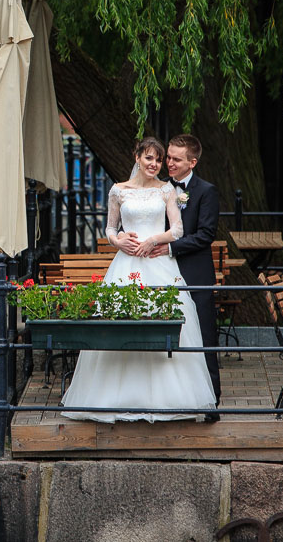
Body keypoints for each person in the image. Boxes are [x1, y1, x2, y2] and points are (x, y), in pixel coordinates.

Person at [60, 137, 216, 422]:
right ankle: (115, 398)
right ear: (137, 158)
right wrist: (119, 241)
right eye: (150, 158)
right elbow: (109, 228)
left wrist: (155, 239)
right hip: (126, 265)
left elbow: (178, 230)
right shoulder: (118, 191)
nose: (155, 164)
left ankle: (169, 398)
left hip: (158, 263)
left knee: (164, 323)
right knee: (120, 324)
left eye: (159, 159)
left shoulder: (167, 190)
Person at [148, 133, 222, 405]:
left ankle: (211, 399)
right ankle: (172, 399)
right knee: (168, 338)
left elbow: (205, 235)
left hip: (194, 274)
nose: (169, 163)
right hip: (161, 273)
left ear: (192, 162)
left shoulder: (206, 191)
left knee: (204, 337)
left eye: (176, 159)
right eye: (168, 157)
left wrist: (169, 247)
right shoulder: (160, 189)